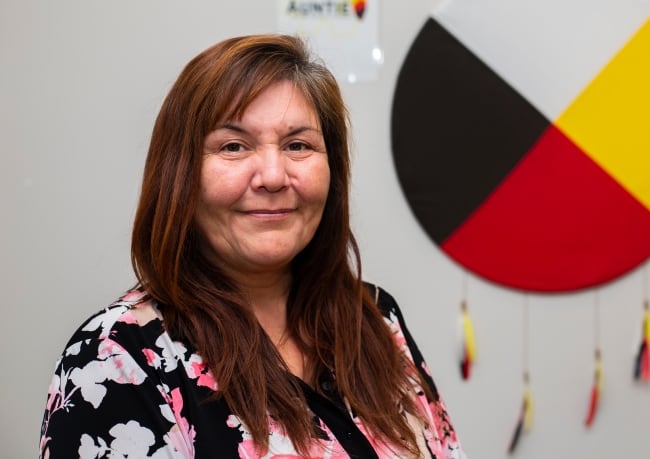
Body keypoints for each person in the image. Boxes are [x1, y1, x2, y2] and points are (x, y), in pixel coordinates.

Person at [38, 34, 466, 458]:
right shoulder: (119, 359)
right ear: (180, 175)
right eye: (234, 146)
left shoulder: (374, 318)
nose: (273, 176)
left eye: (298, 145)